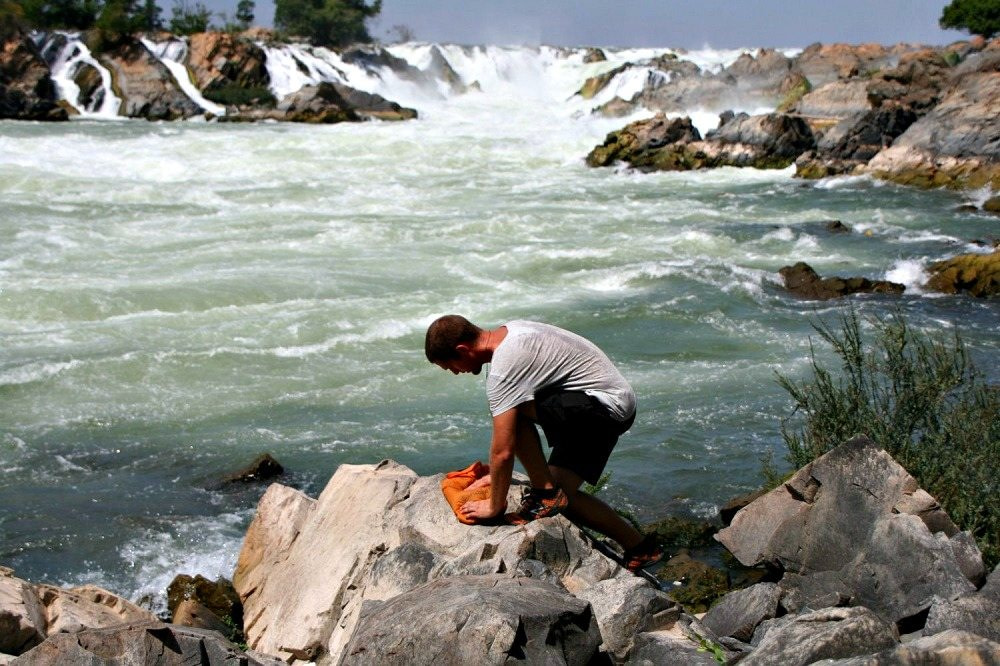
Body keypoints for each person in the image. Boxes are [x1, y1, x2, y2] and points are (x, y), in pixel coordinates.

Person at [425, 314, 662, 572]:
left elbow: (503, 450)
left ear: (462, 350)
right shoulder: (512, 331)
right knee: (565, 497)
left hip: (602, 407)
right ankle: (641, 548)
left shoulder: (504, 368)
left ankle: (544, 493)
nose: (455, 373)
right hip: (608, 399)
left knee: (512, 412)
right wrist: (499, 477)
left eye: (450, 367)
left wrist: (493, 506)